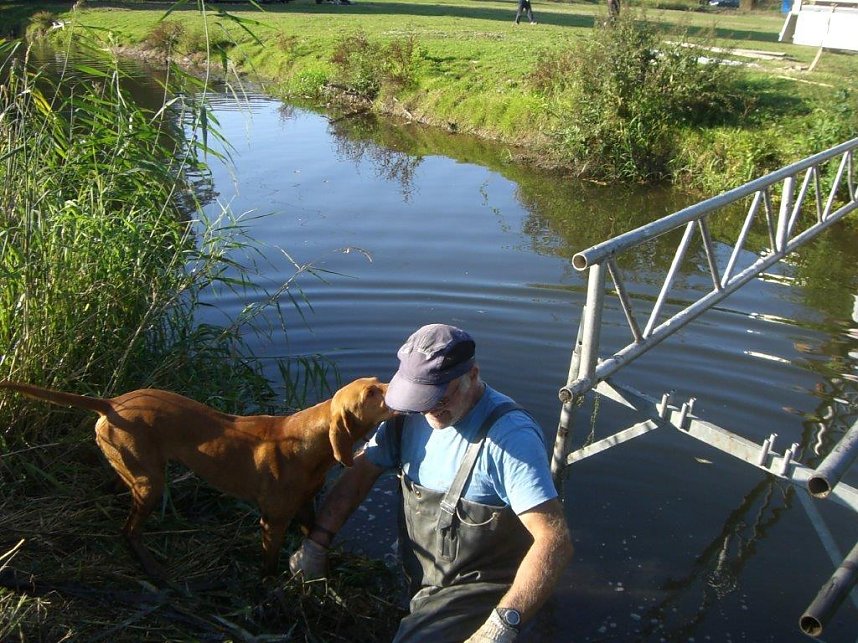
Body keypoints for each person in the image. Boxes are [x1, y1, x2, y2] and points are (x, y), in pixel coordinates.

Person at [290, 323, 573, 642]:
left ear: (473, 375)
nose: (429, 409)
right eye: (421, 398)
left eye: (440, 396)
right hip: (425, 580)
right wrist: (316, 544)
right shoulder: (408, 416)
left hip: (481, 591)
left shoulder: (511, 439)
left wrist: (501, 626)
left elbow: (554, 540)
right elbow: (358, 476)